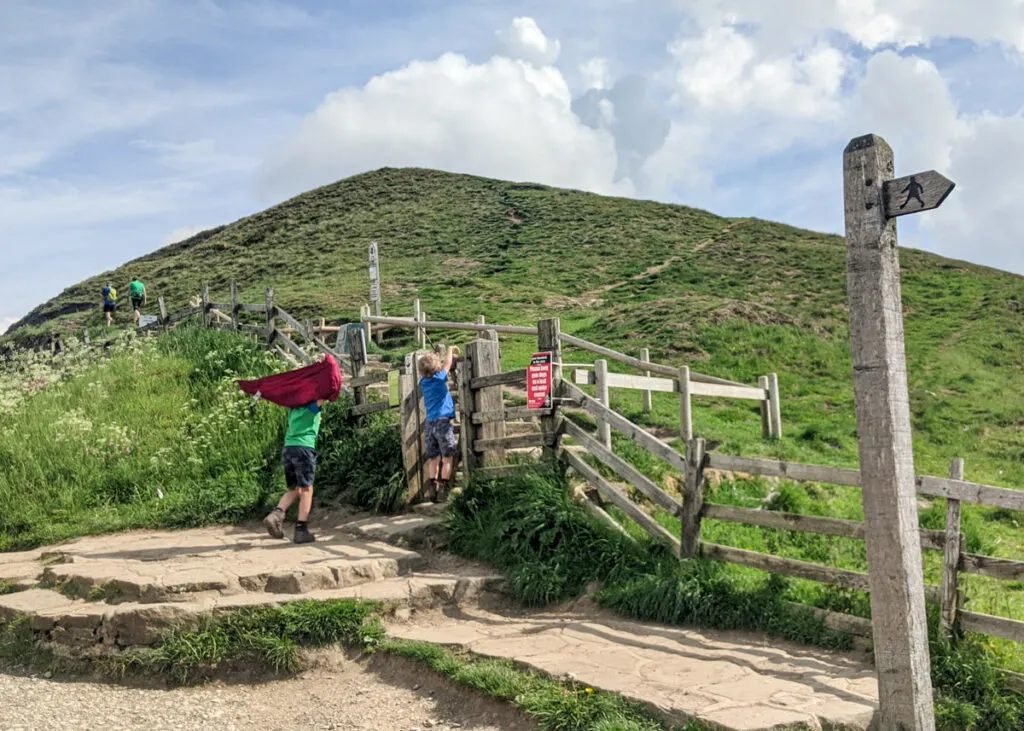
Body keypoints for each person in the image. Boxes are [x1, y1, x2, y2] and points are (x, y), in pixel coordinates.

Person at [262, 398, 326, 544]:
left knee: (295, 488)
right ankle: (301, 530)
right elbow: (326, 394)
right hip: (304, 449)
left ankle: (276, 514)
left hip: (288, 448)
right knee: (306, 489)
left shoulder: (293, 408)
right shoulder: (311, 407)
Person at [417, 345, 461, 503]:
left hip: (430, 423)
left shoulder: (423, 382)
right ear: (437, 367)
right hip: (443, 422)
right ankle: (443, 489)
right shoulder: (440, 378)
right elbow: (447, 364)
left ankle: (432, 489)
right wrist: (450, 350)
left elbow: (442, 367)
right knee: (447, 457)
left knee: (433, 458)